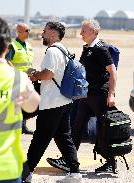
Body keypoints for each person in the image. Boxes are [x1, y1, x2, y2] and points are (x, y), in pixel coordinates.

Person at [47, 19, 117, 174]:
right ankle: (69, 160)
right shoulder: (87, 48)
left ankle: (111, 162)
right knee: (76, 127)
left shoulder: (101, 49)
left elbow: (113, 73)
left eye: (84, 31)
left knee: (103, 129)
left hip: (99, 95)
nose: (80, 33)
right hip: (86, 95)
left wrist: (111, 94)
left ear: (93, 32)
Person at [23, 21, 82, 183]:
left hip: (52, 103)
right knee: (64, 138)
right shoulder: (63, 50)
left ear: (54, 34)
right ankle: (75, 173)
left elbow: (48, 74)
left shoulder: (52, 51)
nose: (42, 34)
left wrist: (35, 75)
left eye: (45, 31)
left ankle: (25, 174)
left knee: (40, 138)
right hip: (64, 100)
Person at [0, 16, 40, 183]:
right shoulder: (17, 79)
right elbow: (33, 106)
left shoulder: (28, 46)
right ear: (6, 46)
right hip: (7, 168)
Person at [6, 22, 35, 135]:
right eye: (26, 30)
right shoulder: (12, 46)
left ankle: (22, 126)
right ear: (19, 32)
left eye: (29, 30)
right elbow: (7, 60)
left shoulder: (28, 46)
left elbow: (27, 63)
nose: (29, 33)